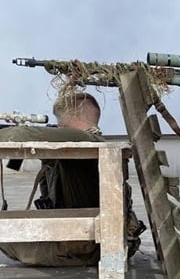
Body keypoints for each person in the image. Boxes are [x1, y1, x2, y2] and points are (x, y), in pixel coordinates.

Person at [0, 91, 144, 266]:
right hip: (89, 242)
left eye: (60, 125)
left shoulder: (85, 140)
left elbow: (18, 135)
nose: (58, 129)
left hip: (84, 248)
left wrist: (16, 130)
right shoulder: (88, 143)